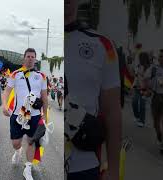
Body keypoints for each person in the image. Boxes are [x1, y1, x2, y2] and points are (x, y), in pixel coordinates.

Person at [65, 0, 122, 180]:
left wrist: (114, 170)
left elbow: (113, 112)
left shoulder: (103, 45)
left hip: (85, 166)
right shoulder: (36, 49)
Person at [2, 48, 48, 180]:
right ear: (24, 58)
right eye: (28, 56)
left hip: (34, 116)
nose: (30, 58)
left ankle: (27, 169)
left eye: (32, 56)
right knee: (16, 142)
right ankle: (17, 151)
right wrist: (5, 105)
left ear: (35, 59)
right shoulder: (15, 74)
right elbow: (6, 92)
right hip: (18, 115)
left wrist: (44, 114)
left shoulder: (41, 76)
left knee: (31, 141)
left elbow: (44, 97)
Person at [148, 48, 163, 155]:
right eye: (159, 56)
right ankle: (159, 134)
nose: (160, 58)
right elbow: (147, 80)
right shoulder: (155, 68)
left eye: (162, 56)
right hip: (156, 97)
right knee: (155, 123)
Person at [131, 52, 151, 127]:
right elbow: (136, 77)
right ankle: (137, 117)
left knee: (142, 105)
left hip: (144, 89)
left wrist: (140, 74)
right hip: (137, 88)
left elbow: (146, 78)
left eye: (141, 58)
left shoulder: (148, 68)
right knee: (134, 102)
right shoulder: (138, 66)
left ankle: (142, 121)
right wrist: (132, 86)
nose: (140, 60)